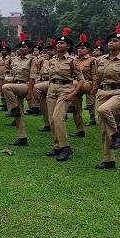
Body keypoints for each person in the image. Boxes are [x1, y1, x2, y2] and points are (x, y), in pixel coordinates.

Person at [90, 24, 120, 169]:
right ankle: (109, 160)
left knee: (103, 110)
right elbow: (97, 78)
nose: (111, 42)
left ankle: (116, 135)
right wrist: (94, 90)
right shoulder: (100, 60)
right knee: (103, 128)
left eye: (115, 40)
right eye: (109, 40)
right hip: (102, 93)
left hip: (118, 93)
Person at [45, 29, 84, 161]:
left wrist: (73, 93)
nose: (58, 45)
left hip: (65, 89)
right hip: (52, 89)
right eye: (57, 43)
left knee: (58, 118)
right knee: (51, 120)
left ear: (68, 46)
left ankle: (65, 147)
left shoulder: (72, 60)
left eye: (61, 43)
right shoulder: (52, 60)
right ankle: (57, 147)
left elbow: (81, 80)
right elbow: (51, 76)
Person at [2, 34, 37, 146]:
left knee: (6, 87)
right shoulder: (16, 60)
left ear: (30, 49)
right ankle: (22, 137)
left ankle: (13, 108)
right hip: (17, 84)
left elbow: (32, 77)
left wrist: (30, 93)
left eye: (25, 47)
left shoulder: (32, 59)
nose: (21, 48)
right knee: (18, 113)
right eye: (20, 47)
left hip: (26, 85)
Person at [72, 33, 96, 138]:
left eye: (82, 48)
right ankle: (80, 130)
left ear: (88, 50)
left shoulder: (92, 60)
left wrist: (94, 88)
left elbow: (95, 75)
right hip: (76, 85)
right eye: (78, 48)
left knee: (71, 85)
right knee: (76, 109)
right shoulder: (74, 60)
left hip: (88, 83)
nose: (80, 50)